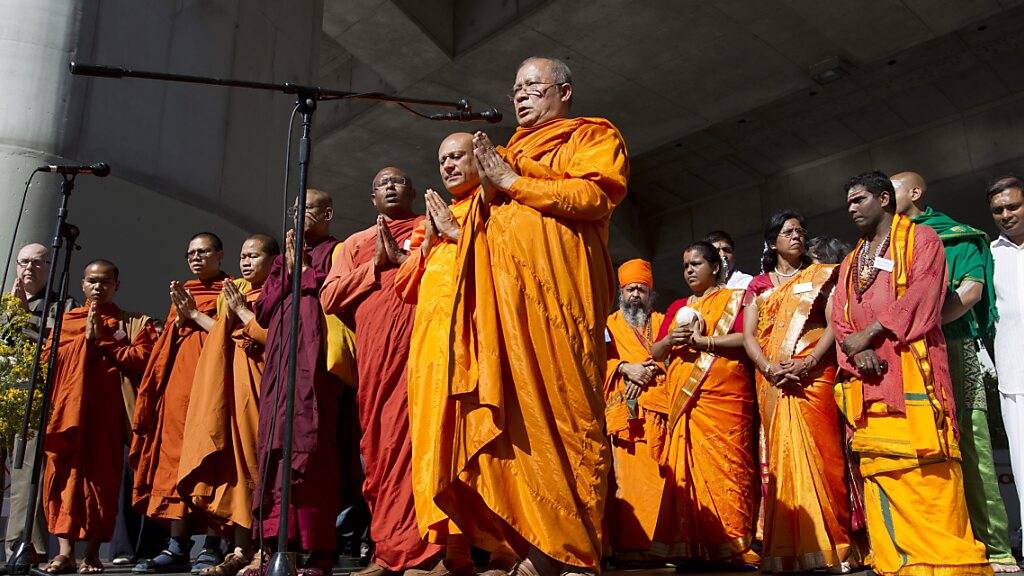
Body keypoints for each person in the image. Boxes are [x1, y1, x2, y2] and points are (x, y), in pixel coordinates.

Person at [432, 56, 627, 576]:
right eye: (515, 87)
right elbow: (485, 227)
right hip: (508, 317)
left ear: (563, 91)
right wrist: (463, 228)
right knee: (517, 428)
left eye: (532, 86)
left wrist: (515, 181)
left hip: (561, 306)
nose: (520, 95)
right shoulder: (503, 153)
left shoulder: (591, 136)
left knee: (569, 421)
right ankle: (535, 546)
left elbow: (593, 196)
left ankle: (575, 551)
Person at [832, 171, 991, 575]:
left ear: (884, 199)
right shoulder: (851, 260)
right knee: (881, 468)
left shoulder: (924, 241)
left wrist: (871, 333)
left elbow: (925, 295)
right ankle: (896, 560)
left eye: (859, 199)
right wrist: (857, 353)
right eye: (848, 202)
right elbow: (840, 316)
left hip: (912, 370)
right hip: (867, 381)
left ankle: (943, 561)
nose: (851, 208)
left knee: (927, 468)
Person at [395, 134, 516, 576]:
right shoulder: (431, 219)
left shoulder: (497, 204)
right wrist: (428, 241)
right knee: (437, 446)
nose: (447, 165)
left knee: (483, 443)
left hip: (480, 344)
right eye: (441, 159)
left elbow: (509, 263)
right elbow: (403, 286)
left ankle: (505, 551)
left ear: (478, 158)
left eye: (456, 156)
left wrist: (455, 233)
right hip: (431, 348)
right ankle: (455, 553)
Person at [894, 171, 1017, 572]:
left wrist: (924, 325)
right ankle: (941, 543)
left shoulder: (955, 236)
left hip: (954, 347)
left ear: (915, 191)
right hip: (905, 356)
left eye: (889, 189)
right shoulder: (885, 244)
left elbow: (971, 291)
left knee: (973, 445)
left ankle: (995, 545)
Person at [321, 168, 438, 576]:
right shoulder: (355, 244)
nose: (390, 186)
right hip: (375, 361)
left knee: (422, 446)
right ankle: (388, 551)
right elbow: (330, 297)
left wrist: (406, 259)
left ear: (413, 189)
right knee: (381, 448)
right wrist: (376, 263)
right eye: (381, 183)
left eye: (399, 180)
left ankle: (429, 554)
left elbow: (451, 276)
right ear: (372, 199)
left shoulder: (430, 225)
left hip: (424, 352)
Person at [740, 216, 856, 573]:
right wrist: (769, 369)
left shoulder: (824, 274)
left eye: (800, 232)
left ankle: (831, 544)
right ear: (773, 241)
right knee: (782, 460)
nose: (797, 236)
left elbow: (836, 324)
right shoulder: (759, 285)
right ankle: (790, 547)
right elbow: (749, 337)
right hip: (773, 380)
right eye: (789, 232)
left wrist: (807, 364)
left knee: (824, 457)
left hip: (814, 376)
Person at [39, 260, 157, 574]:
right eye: (92, 280)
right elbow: (48, 360)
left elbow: (145, 360)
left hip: (109, 416)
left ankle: (91, 553)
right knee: (64, 478)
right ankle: (64, 552)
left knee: (102, 483)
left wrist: (105, 339)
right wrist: (83, 341)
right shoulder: (67, 320)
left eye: (105, 282)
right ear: (81, 283)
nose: (97, 287)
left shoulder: (129, 323)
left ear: (116, 286)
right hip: (68, 416)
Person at [253, 189, 349, 576]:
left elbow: (336, 291)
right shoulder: (281, 261)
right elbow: (262, 310)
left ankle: (318, 553)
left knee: (311, 452)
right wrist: (290, 268)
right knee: (275, 454)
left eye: (306, 208)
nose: (298, 213)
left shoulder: (337, 250)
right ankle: (280, 549)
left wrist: (305, 270)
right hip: (280, 366)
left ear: (327, 213)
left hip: (315, 366)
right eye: (294, 208)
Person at [648, 241, 757, 569]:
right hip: (686, 399)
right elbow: (655, 353)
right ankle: (690, 546)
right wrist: (670, 340)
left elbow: (747, 339)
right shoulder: (677, 306)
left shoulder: (734, 299)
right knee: (686, 472)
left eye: (696, 264)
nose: (690, 270)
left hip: (723, 398)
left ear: (715, 267)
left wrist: (703, 342)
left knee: (728, 468)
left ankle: (732, 545)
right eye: (685, 266)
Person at [176, 234, 279, 576]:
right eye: (243, 256)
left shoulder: (278, 291)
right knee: (236, 466)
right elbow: (224, 334)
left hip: (264, 389)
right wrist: (192, 313)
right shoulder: (235, 294)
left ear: (273, 260)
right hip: (234, 390)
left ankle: (266, 549)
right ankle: (239, 548)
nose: (246, 262)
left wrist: (242, 312)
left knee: (259, 465)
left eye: (254, 255)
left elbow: (273, 338)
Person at [130, 233, 229, 574]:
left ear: (220, 255)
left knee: (213, 462)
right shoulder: (183, 293)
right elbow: (167, 347)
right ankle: (176, 547)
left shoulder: (233, 290)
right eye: (191, 253)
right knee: (174, 462)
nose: (196, 258)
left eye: (204, 252)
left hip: (214, 387)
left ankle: (214, 546)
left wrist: (193, 315)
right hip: (179, 390)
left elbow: (234, 335)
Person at [5, 243, 78, 563]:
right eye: (23, 262)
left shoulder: (61, 305)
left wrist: (25, 315)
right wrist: (13, 312)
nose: (29, 268)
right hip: (4, 394)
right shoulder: (6, 304)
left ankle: (22, 548)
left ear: (49, 267)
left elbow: (59, 343)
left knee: (26, 477)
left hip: (33, 402)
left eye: (37, 263)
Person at [601, 259, 665, 565]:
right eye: (630, 289)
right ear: (620, 293)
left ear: (650, 293)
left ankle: (659, 545)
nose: (635, 295)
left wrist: (647, 370)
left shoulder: (665, 321)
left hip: (660, 414)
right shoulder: (609, 325)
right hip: (626, 417)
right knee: (627, 481)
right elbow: (597, 360)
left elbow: (678, 357)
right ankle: (630, 548)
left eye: (641, 289)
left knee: (662, 479)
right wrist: (625, 368)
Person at [987, 175, 1024, 551]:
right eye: (998, 210)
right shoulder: (990, 254)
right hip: (1015, 373)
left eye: (1013, 206)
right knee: (1022, 462)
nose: (1006, 214)